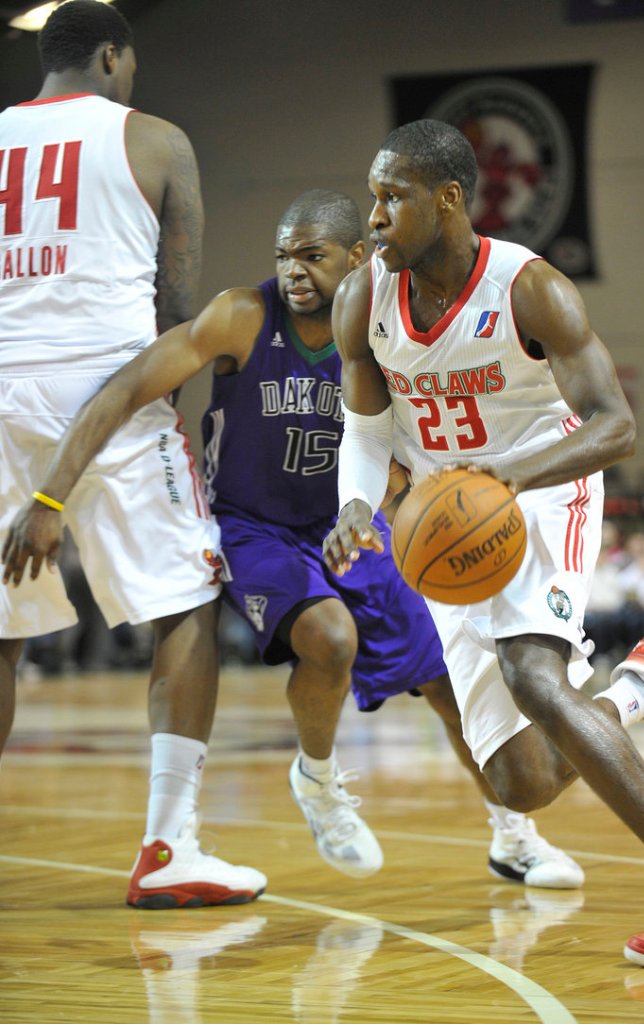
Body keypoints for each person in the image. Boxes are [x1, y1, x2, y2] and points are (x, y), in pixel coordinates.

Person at [3, 179, 585, 888]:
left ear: (360, 256)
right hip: (255, 531)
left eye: (312, 256)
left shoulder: (387, 325)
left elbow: (402, 448)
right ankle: (318, 780)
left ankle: (512, 833)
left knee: (447, 683)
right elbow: (127, 387)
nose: (293, 272)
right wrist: (48, 493)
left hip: (353, 522)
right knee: (331, 640)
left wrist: (403, 506)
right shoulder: (242, 316)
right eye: (284, 255)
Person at [322, 118, 644, 967]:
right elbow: (368, 432)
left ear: (448, 198)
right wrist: (355, 508)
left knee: (533, 672)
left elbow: (616, 425)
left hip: (545, 491)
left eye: (390, 197)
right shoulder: (362, 299)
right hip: (450, 524)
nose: (371, 217)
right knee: (518, 780)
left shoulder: (530, 288)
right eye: (371, 197)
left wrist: (515, 478)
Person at [0, 0, 265, 908]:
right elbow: (178, 298)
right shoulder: (153, 140)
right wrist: (167, 405)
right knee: (185, 600)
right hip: (107, 383)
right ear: (112, 56)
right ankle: (168, 845)